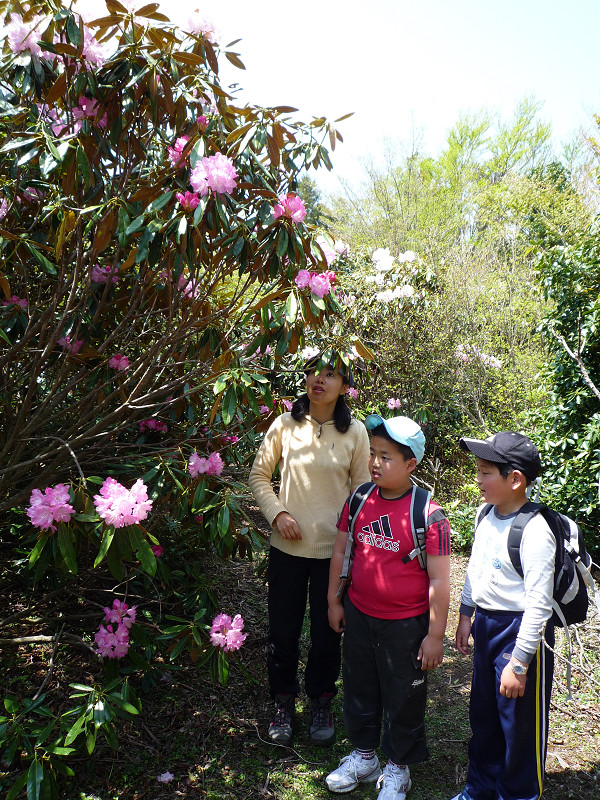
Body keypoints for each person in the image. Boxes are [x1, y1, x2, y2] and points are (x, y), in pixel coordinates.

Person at [326, 414, 451, 800]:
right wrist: (334, 601)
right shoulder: (359, 498)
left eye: (387, 457)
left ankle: (398, 766)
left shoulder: (429, 515)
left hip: (406, 625)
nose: (376, 463)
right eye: (374, 454)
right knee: (359, 687)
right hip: (361, 614)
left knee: (403, 694)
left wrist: (434, 635)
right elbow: (341, 551)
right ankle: (365, 756)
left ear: (411, 464)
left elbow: (439, 580)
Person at [248, 352, 370, 745]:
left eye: (331, 374)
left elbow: (362, 491)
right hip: (287, 550)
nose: (320, 379)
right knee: (282, 631)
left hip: (333, 555)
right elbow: (259, 476)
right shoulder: (284, 425)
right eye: (314, 372)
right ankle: (282, 702)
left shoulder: (356, 432)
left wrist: (348, 538)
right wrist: (278, 513)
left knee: (326, 632)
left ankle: (321, 701)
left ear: (345, 386)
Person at [449, 431, 554, 800]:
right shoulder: (485, 513)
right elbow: (476, 570)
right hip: (487, 626)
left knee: (518, 725)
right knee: (485, 716)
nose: (477, 480)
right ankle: (479, 788)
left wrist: (521, 664)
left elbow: (539, 605)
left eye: (485, 472)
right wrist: (465, 614)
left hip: (520, 633)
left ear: (515, 479)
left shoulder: (536, 529)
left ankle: (519, 793)